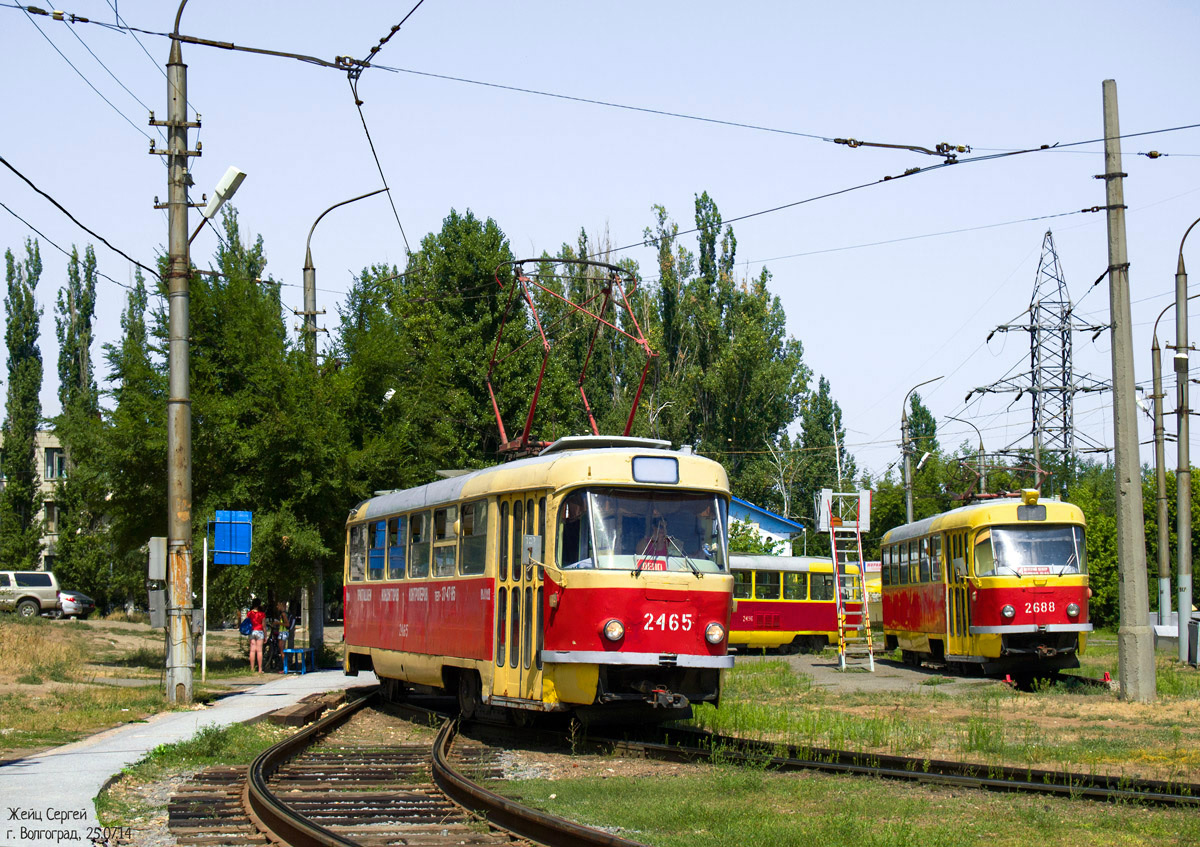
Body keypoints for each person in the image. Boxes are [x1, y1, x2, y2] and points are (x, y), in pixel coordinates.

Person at [247, 599, 266, 673]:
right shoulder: (262, 614)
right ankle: (260, 669)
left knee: (252, 650)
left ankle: (252, 668)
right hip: (260, 632)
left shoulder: (249, 613)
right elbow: (264, 626)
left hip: (252, 631)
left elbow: (247, 623)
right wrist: (265, 636)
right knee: (259, 651)